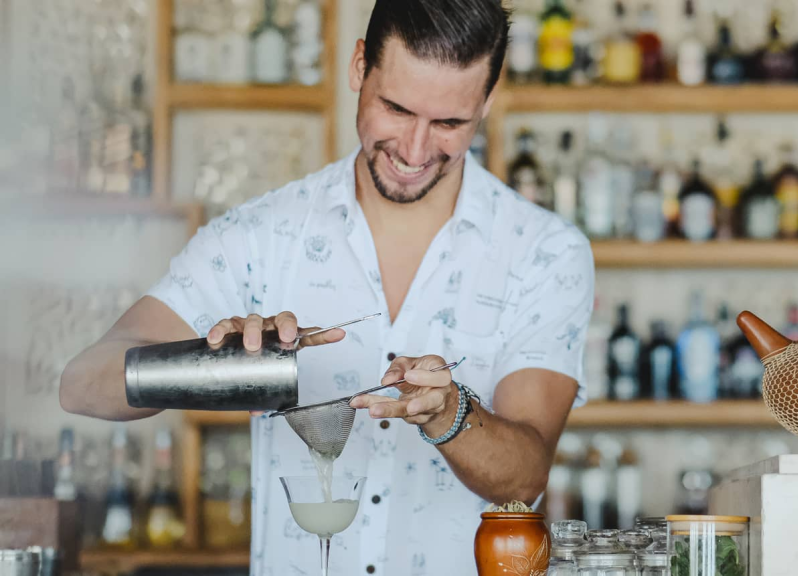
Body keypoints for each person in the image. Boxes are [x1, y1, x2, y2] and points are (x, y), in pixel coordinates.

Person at [59, 0, 594, 573]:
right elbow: (82, 384)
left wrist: (450, 413)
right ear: (359, 67)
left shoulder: (544, 252)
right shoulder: (260, 236)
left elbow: (524, 478)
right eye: (396, 109)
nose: (414, 151)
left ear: (487, 99)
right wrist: (218, 364)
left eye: (448, 124)